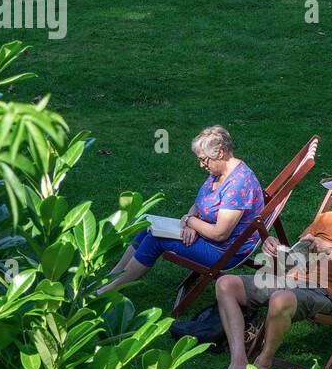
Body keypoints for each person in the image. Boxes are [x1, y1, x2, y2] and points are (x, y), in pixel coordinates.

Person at [210, 170, 332, 369]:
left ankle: (263, 363)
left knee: (281, 298)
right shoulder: (326, 219)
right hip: (292, 280)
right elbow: (294, 259)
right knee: (225, 284)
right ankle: (238, 362)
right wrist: (275, 251)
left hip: (328, 294)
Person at [95, 126, 265, 296]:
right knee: (145, 227)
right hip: (205, 235)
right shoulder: (220, 172)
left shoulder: (238, 184)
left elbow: (220, 234)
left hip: (223, 251)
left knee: (155, 240)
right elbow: (200, 203)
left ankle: (109, 291)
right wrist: (191, 220)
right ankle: (110, 278)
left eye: (204, 160)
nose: (201, 165)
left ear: (220, 153)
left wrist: (190, 221)